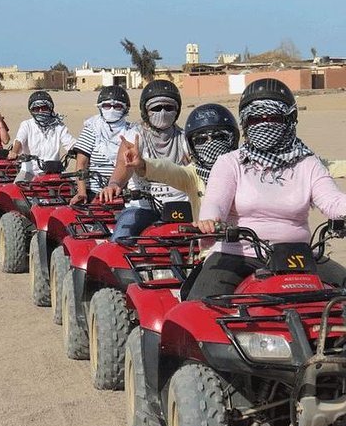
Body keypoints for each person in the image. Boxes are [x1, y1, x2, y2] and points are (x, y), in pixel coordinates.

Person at [190, 78, 346, 299]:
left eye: (273, 118)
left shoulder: (308, 163)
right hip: (238, 254)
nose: (264, 125)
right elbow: (215, 202)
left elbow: (333, 200)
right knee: (198, 309)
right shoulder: (230, 162)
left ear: (290, 120)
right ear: (245, 124)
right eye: (255, 120)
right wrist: (209, 222)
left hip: (297, 257)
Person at [100, 80, 189, 241]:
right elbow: (123, 166)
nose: (163, 112)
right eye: (156, 108)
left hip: (181, 207)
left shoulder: (186, 139)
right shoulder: (135, 136)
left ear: (177, 110)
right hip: (143, 207)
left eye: (169, 108)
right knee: (120, 242)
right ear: (145, 110)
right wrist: (114, 184)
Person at [119, 103, 240, 218]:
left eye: (218, 137)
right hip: (206, 236)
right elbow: (167, 170)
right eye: (201, 140)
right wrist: (143, 164)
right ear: (191, 146)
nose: (210, 144)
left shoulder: (247, 170)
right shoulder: (194, 176)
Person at [69, 85, 132, 204]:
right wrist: (82, 192)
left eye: (117, 106)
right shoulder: (92, 129)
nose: (111, 110)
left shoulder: (132, 132)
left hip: (122, 193)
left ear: (125, 109)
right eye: (107, 106)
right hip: (93, 192)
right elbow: (81, 164)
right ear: (100, 107)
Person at [8, 90, 77, 181]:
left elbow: (70, 143)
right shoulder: (27, 125)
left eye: (44, 107)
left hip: (54, 172)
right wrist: (14, 152)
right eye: (36, 109)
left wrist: (81, 152)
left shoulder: (58, 126)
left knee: (74, 189)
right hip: (30, 172)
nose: (40, 111)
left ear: (50, 108)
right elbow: (19, 140)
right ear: (31, 110)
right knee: (16, 190)